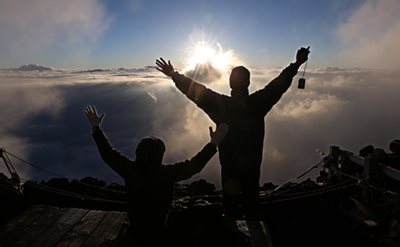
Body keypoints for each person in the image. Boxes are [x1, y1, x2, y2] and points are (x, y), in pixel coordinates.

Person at [156, 47, 310, 221]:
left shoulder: (220, 106)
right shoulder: (258, 104)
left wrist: (174, 75)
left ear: (230, 83)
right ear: (249, 83)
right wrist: (297, 63)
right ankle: (254, 229)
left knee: (230, 204)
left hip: (229, 164)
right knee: (252, 203)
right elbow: (278, 85)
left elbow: (194, 90)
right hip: (252, 164)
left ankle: (231, 230)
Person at [84, 105, 228, 245]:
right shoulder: (167, 173)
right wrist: (213, 143)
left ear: (138, 152)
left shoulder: (129, 169)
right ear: (160, 155)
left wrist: (96, 128)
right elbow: (194, 165)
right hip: (161, 229)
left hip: (136, 228)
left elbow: (108, 153)